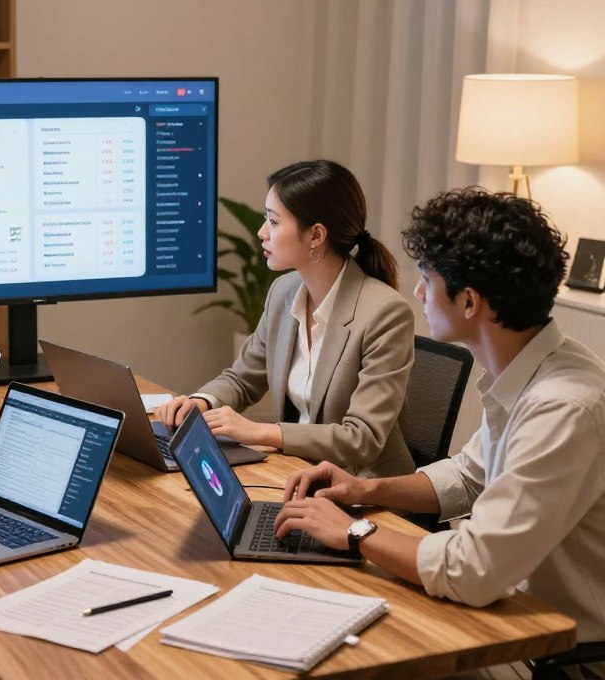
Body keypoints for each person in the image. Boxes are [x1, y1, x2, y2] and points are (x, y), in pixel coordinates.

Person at [274, 189, 605, 653]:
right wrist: (363, 490)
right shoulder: (531, 368)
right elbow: (469, 476)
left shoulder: (562, 408)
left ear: (469, 302)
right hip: (500, 617)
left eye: (427, 278)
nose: (417, 291)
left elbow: (474, 569)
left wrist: (353, 531)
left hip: (540, 649)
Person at [158, 159, 415, 478]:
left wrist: (259, 432)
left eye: (274, 222)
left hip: (364, 488)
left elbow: (361, 438)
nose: (261, 232)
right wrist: (201, 402)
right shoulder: (284, 291)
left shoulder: (385, 313)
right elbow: (242, 378)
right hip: (295, 471)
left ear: (316, 235)